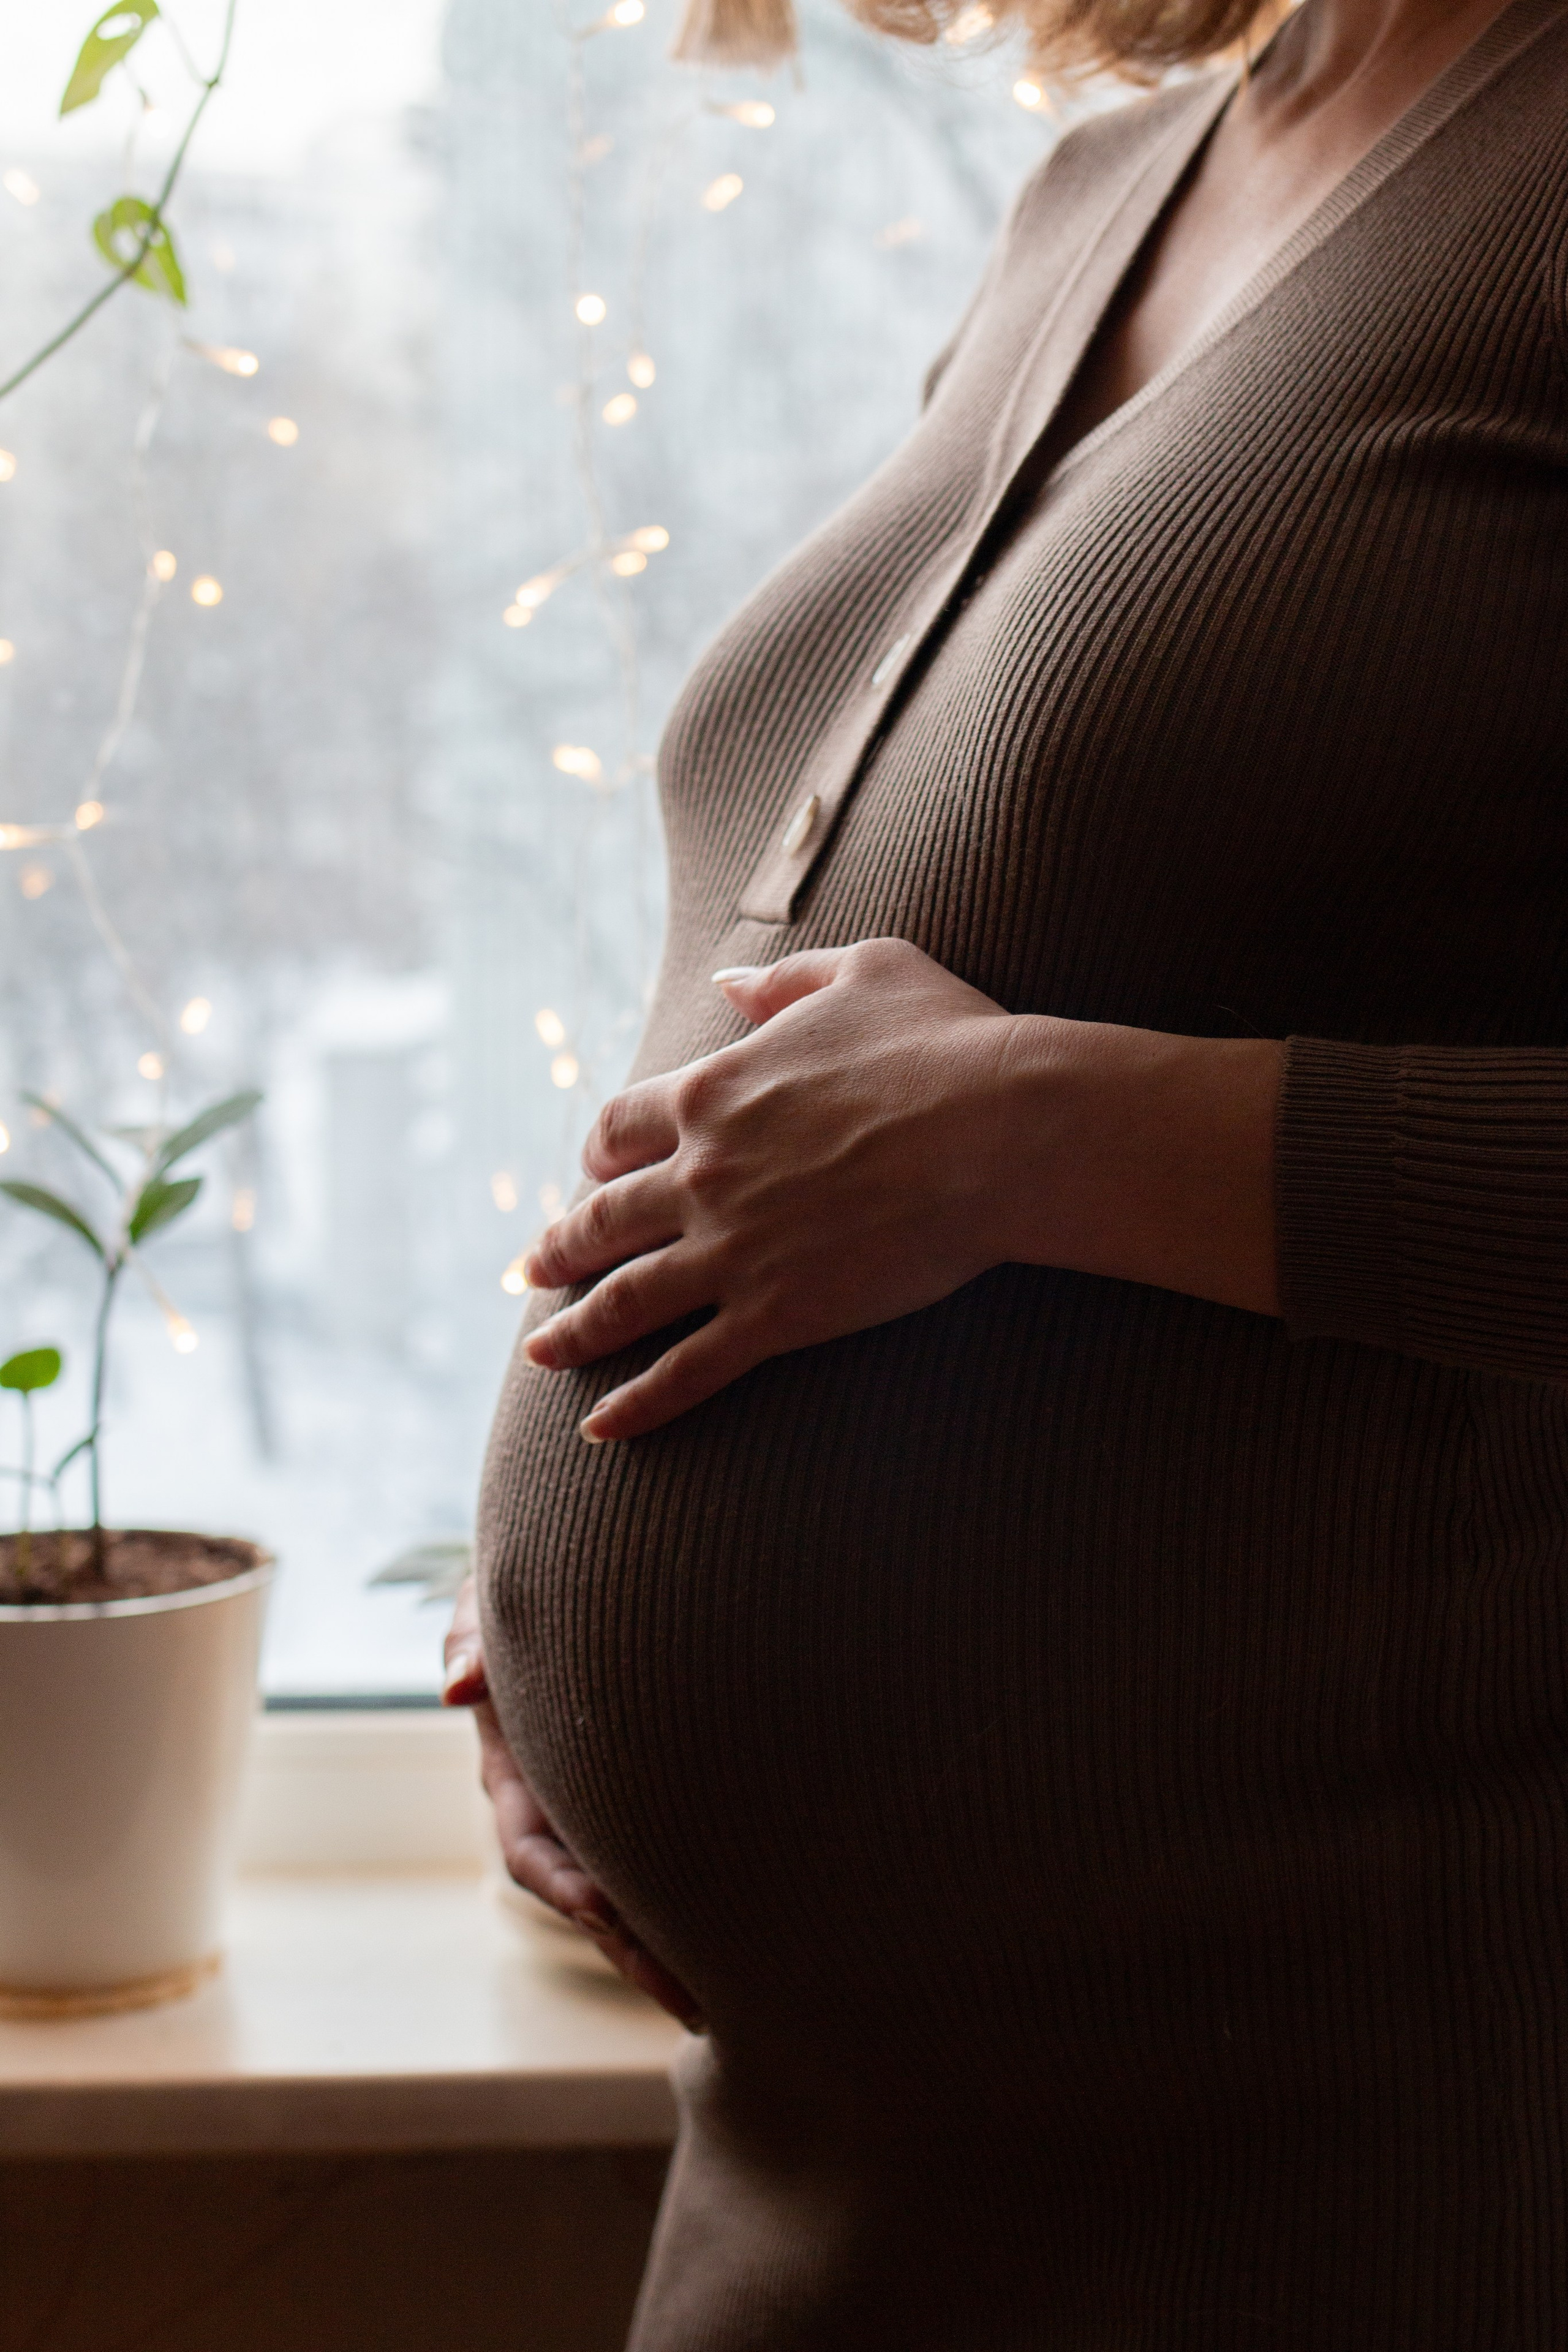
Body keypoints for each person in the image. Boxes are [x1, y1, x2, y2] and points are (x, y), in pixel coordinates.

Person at [445, 0, 1568, 2334]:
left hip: (1350, 2181)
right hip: (828, 2172)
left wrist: (1055, 1142)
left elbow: (975, 1092)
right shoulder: (1120, 176)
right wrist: (540, 1616)